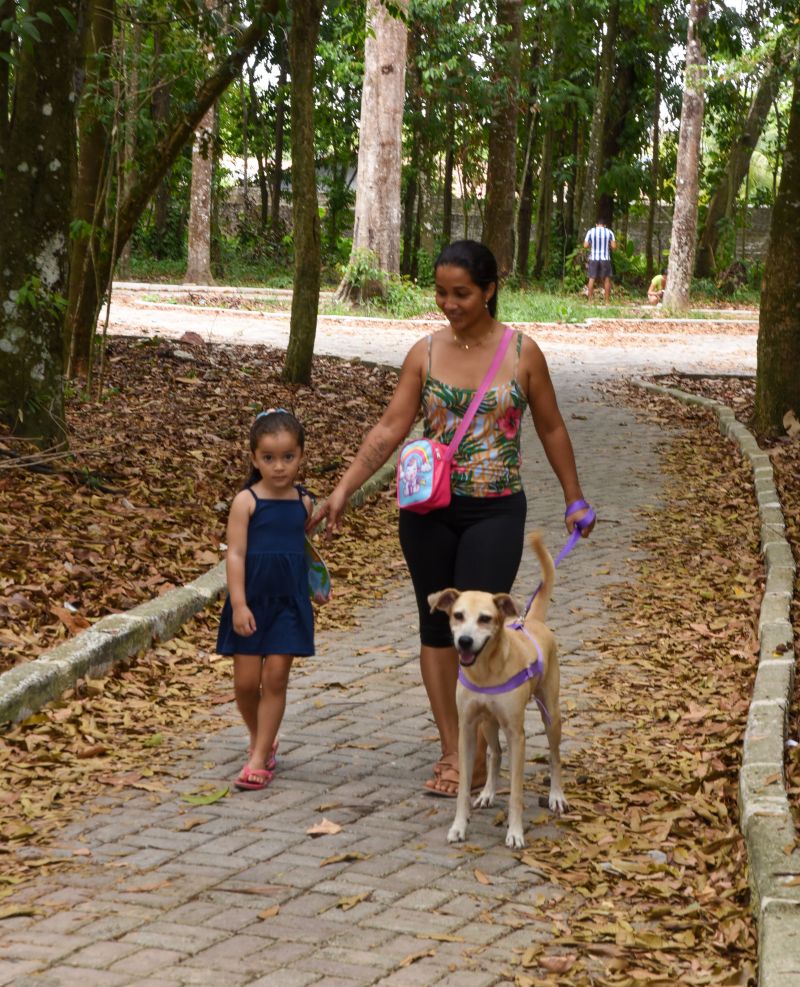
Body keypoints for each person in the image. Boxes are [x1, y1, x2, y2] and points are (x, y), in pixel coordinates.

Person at [311, 240, 595, 797]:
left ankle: (484, 743)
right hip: (427, 510)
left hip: (496, 508)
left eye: (461, 293)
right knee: (439, 630)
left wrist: (574, 497)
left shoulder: (522, 353)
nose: (449, 303)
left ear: (489, 289)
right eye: (441, 292)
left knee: (481, 625)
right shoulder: (425, 352)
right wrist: (343, 488)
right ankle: (455, 748)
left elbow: (553, 427)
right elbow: (391, 427)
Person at [216, 409, 315, 791]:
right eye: (269, 458)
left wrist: (317, 586)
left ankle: (258, 759)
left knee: (275, 679)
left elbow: (304, 552)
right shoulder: (246, 501)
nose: (279, 467)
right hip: (252, 603)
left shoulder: (304, 503)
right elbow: (236, 554)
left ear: (301, 456)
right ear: (254, 458)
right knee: (245, 684)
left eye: (288, 457)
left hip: (289, 604)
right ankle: (263, 739)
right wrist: (239, 604)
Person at [583, 218, 617, 303]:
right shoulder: (609, 232)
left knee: (592, 278)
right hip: (605, 258)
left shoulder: (590, 231)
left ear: (596, 224)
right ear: (605, 225)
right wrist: (607, 244)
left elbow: (585, 245)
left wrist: (592, 244)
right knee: (606, 279)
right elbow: (614, 246)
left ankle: (590, 301)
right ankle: (607, 301)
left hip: (594, 257)